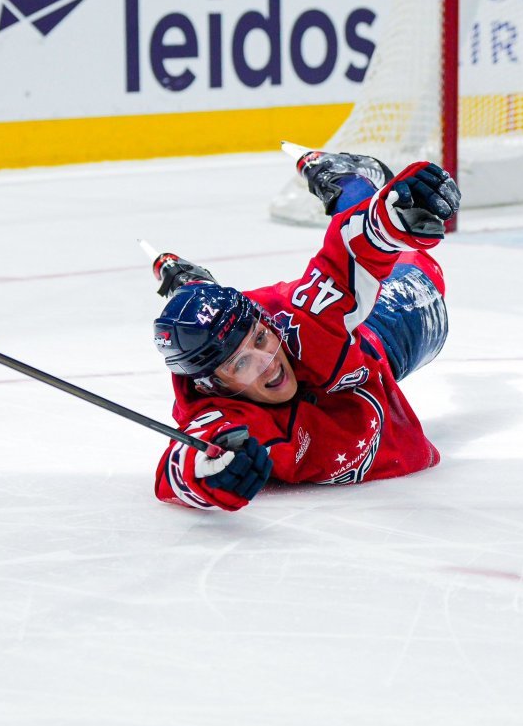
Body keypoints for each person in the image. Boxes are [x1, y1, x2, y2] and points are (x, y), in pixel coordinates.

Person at [151, 151, 460, 511]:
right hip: (327, 365)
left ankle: (349, 180)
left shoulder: (304, 329)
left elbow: (346, 257)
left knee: (420, 269)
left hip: (382, 335)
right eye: (240, 365)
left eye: (261, 339)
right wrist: (206, 474)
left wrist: (391, 213)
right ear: (213, 386)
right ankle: (193, 286)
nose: (267, 361)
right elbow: (185, 457)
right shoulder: (228, 417)